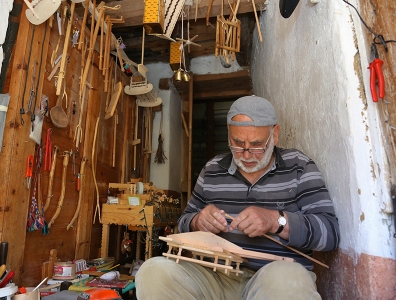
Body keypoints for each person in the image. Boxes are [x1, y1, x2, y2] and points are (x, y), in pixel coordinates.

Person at [135, 96, 340, 300]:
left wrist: (276, 221)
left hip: (272, 276)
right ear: (228, 134)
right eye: (238, 143)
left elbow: (330, 233)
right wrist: (198, 222)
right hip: (214, 276)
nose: (247, 154)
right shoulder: (212, 169)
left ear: (275, 134)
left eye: (257, 144)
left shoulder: (300, 167)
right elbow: (183, 222)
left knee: (288, 281)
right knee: (153, 272)